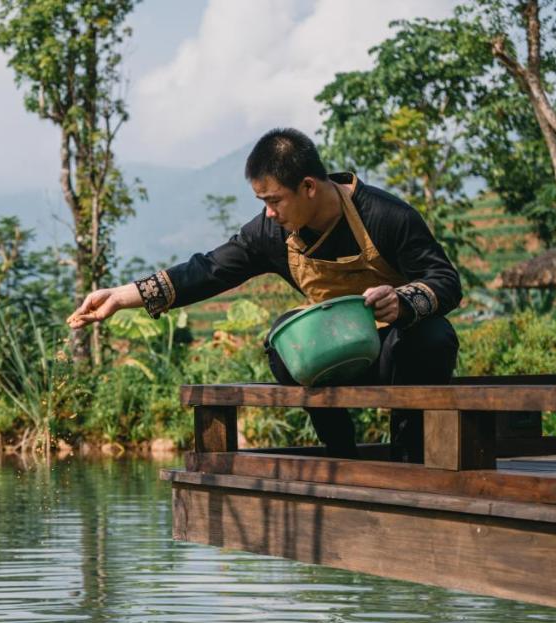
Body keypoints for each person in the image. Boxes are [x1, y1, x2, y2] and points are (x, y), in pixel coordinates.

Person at [67, 127, 461, 461]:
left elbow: (445, 280)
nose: (269, 213)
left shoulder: (386, 215)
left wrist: (402, 301)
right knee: (284, 343)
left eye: (274, 201)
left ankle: (413, 458)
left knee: (433, 336)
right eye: (263, 203)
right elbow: (208, 270)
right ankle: (343, 457)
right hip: (336, 350)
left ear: (308, 186)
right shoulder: (270, 232)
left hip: (394, 350)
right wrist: (121, 296)